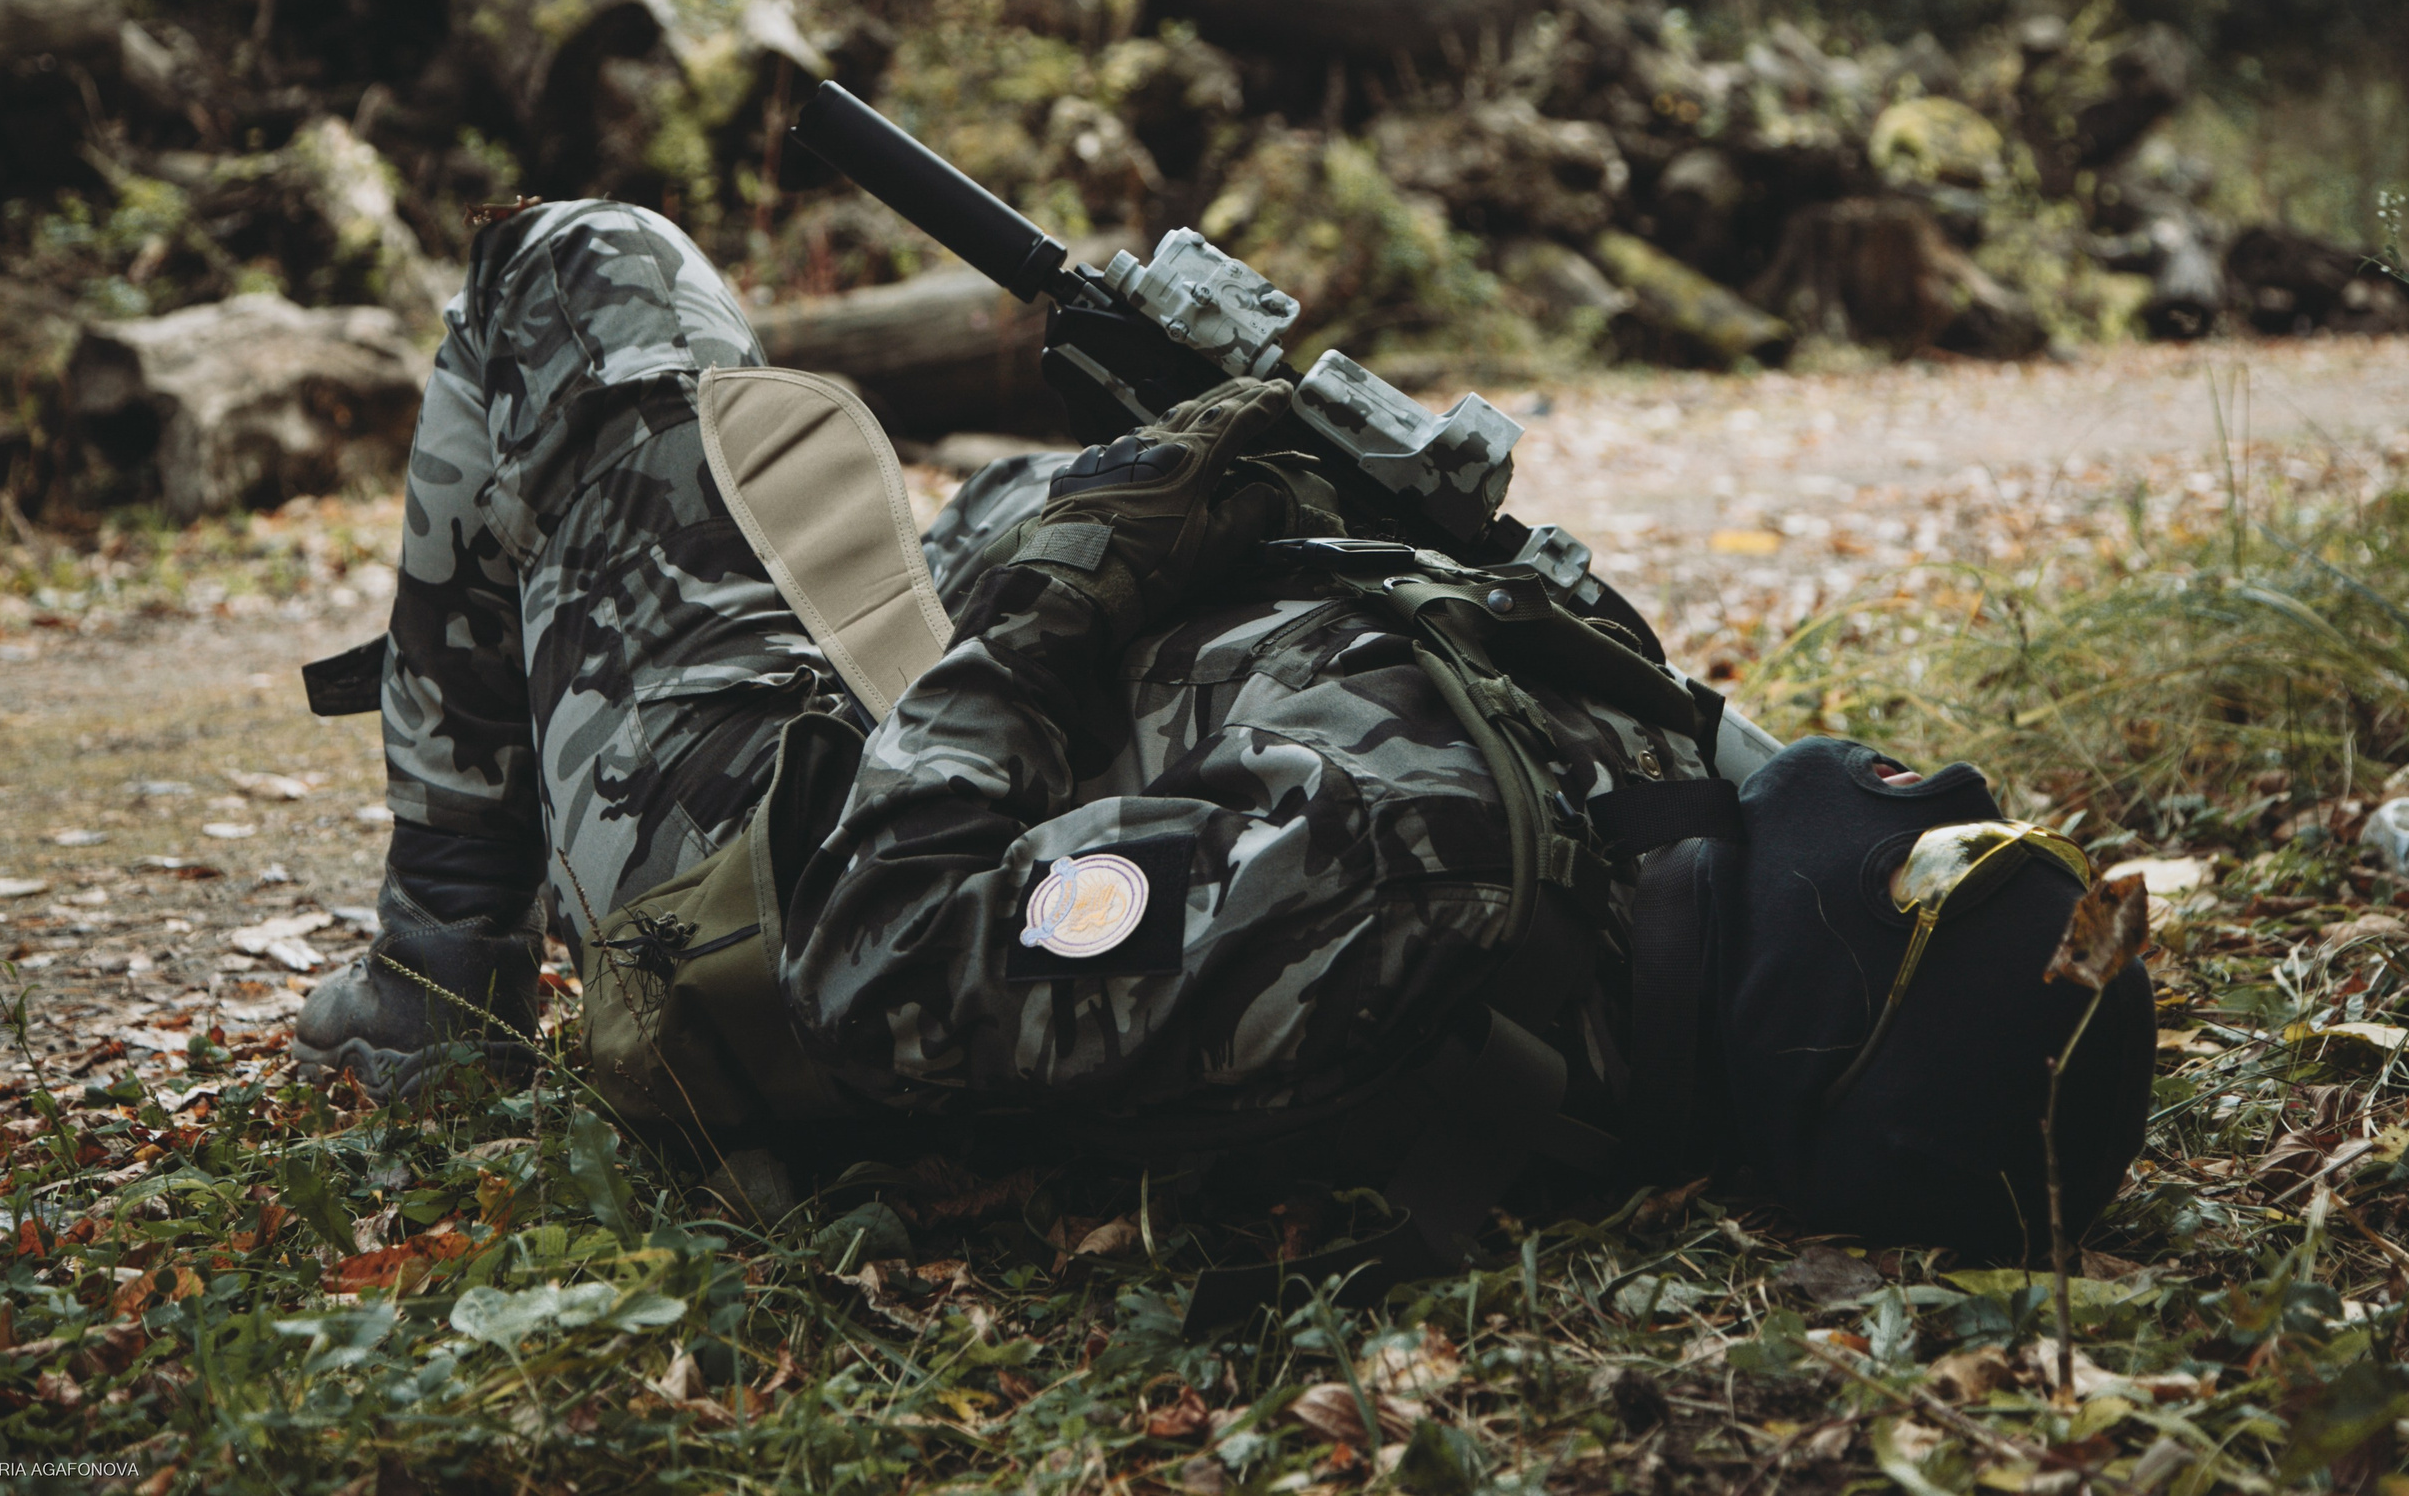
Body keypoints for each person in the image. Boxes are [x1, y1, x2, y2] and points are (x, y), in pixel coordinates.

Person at [295, 198, 2153, 1268]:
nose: (1932, 788)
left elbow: (878, 949)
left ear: (1832, 1004)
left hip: (767, 850)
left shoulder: (1393, 877)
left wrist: (1089, 560)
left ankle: (443, 979)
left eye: (1939, 855)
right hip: (949, 700)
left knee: (586, 265)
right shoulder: (1659, 848)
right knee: (841, 456)